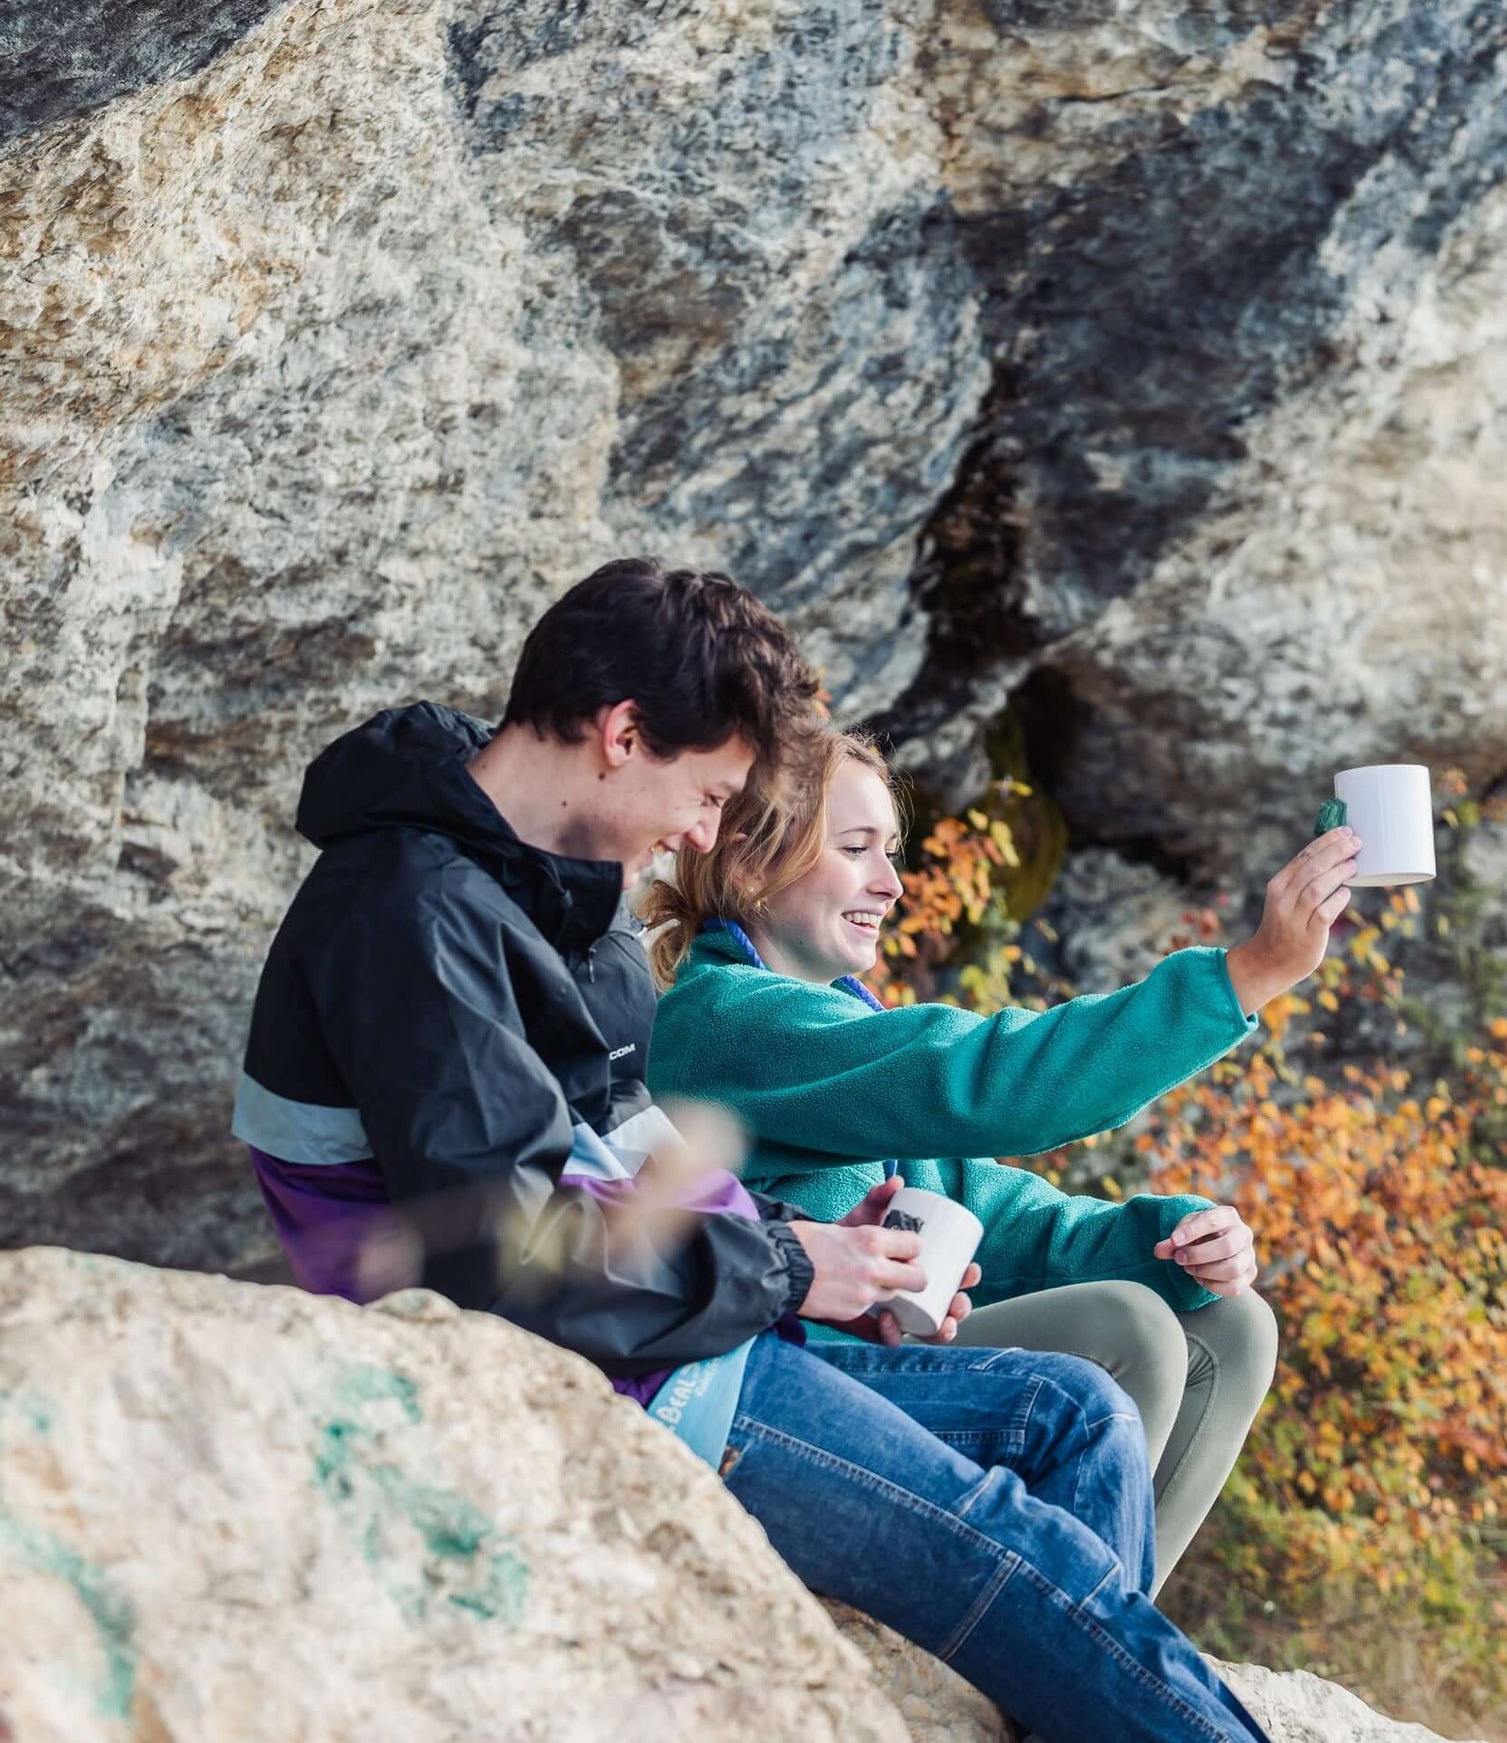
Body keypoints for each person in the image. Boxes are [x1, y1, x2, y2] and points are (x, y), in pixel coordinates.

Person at [233, 557, 1274, 1743]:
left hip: (690, 1332)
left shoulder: (566, 906)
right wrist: (787, 1273)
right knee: (1024, 1561)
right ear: (624, 733)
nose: (714, 834)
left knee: (1076, 1413)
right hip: (615, 1385)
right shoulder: (411, 919)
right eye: (716, 792)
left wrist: (810, 1258)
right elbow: (510, 1257)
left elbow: (633, 1167)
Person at [646, 730, 1363, 1593]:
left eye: (895, 852)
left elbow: (1004, 1216)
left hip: (883, 1365)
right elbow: (986, 1082)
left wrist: (1175, 1241)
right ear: (753, 867)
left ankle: (1114, 1633)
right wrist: (1244, 975)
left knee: (1232, 1321)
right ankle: (1090, 1655)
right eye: (856, 848)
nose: (893, 882)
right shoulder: (722, 1020)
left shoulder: (840, 1027)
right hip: (794, 1386)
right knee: (1126, 1329)